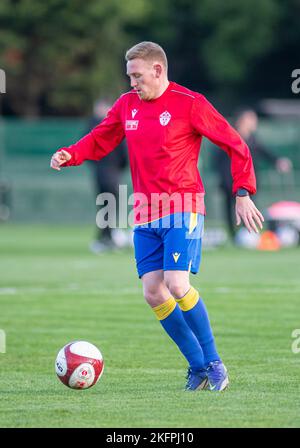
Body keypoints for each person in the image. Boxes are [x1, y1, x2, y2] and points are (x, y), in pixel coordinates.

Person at [50, 41, 264, 392]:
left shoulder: (189, 103)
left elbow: (234, 143)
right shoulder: (126, 105)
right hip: (145, 212)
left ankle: (215, 363)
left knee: (178, 285)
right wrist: (69, 154)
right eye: (129, 76)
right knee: (153, 292)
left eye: (137, 75)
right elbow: (100, 139)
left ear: (158, 70)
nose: (132, 82)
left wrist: (243, 192)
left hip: (183, 205)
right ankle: (197, 368)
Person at [213, 108, 292, 239]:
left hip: (247, 185)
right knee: (230, 211)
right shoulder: (229, 136)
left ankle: (249, 235)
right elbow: (219, 162)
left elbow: (264, 152)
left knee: (249, 210)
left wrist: (278, 161)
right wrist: (226, 182)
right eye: (251, 119)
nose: (254, 122)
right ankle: (234, 236)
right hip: (230, 183)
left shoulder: (253, 140)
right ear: (242, 121)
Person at [86, 99, 128, 253]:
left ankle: (107, 237)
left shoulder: (92, 125)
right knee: (109, 206)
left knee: (106, 206)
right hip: (111, 173)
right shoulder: (109, 126)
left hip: (103, 173)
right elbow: (124, 152)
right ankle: (107, 237)